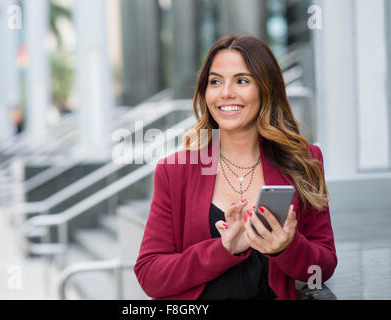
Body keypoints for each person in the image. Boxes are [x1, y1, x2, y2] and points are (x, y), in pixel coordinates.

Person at [134, 34, 337, 300]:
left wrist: (287, 248)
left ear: (266, 88)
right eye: (215, 81)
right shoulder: (176, 171)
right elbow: (150, 276)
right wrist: (223, 249)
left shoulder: (303, 160)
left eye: (242, 80)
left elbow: (322, 268)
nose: (226, 92)